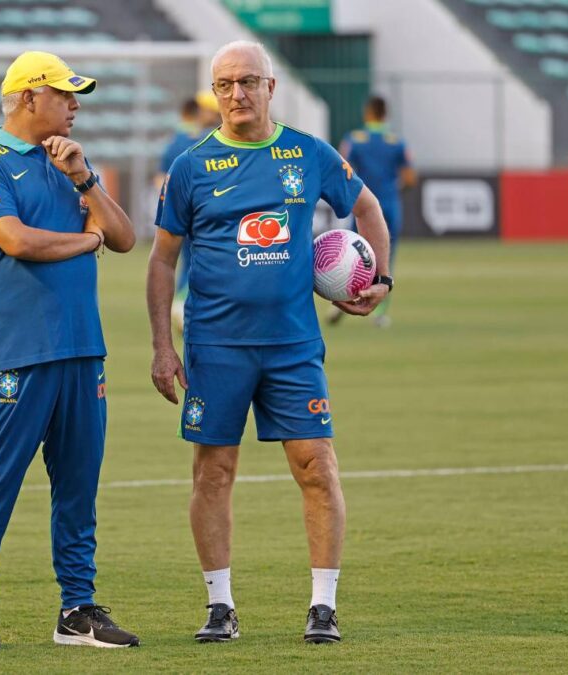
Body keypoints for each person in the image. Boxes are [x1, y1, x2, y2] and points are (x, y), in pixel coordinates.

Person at [147, 41, 393, 645]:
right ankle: (220, 607)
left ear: (270, 87)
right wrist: (161, 345)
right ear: (215, 92)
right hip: (216, 346)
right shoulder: (191, 165)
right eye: (225, 84)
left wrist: (380, 278)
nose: (236, 94)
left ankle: (323, 607)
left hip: (291, 346)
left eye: (247, 82)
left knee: (316, 467)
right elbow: (161, 262)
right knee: (213, 473)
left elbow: (367, 207)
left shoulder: (308, 153)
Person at [0, 50, 138, 652]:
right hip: (17, 354)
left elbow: (127, 237)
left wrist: (84, 178)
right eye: (64, 94)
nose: (75, 105)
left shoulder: (72, 165)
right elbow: (17, 241)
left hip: (83, 351)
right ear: (29, 98)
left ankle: (77, 610)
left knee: (79, 487)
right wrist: (88, 240)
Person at [334, 95, 415, 328]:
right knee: (386, 258)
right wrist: (391, 188)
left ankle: (342, 296)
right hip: (389, 205)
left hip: (362, 207)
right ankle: (380, 312)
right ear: (385, 114)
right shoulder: (397, 142)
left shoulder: (355, 139)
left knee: (352, 255)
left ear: (368, 113)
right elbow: (410, 178)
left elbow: (342, 169)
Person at [157, 92, 222, 332]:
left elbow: (160, 179)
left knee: (186, 260)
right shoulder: (211, 140)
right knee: (201, 260)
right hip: (204, 213)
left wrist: (170, 206)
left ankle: (183, 305)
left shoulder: (178, 139)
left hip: (180, 212)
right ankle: (183, 305)